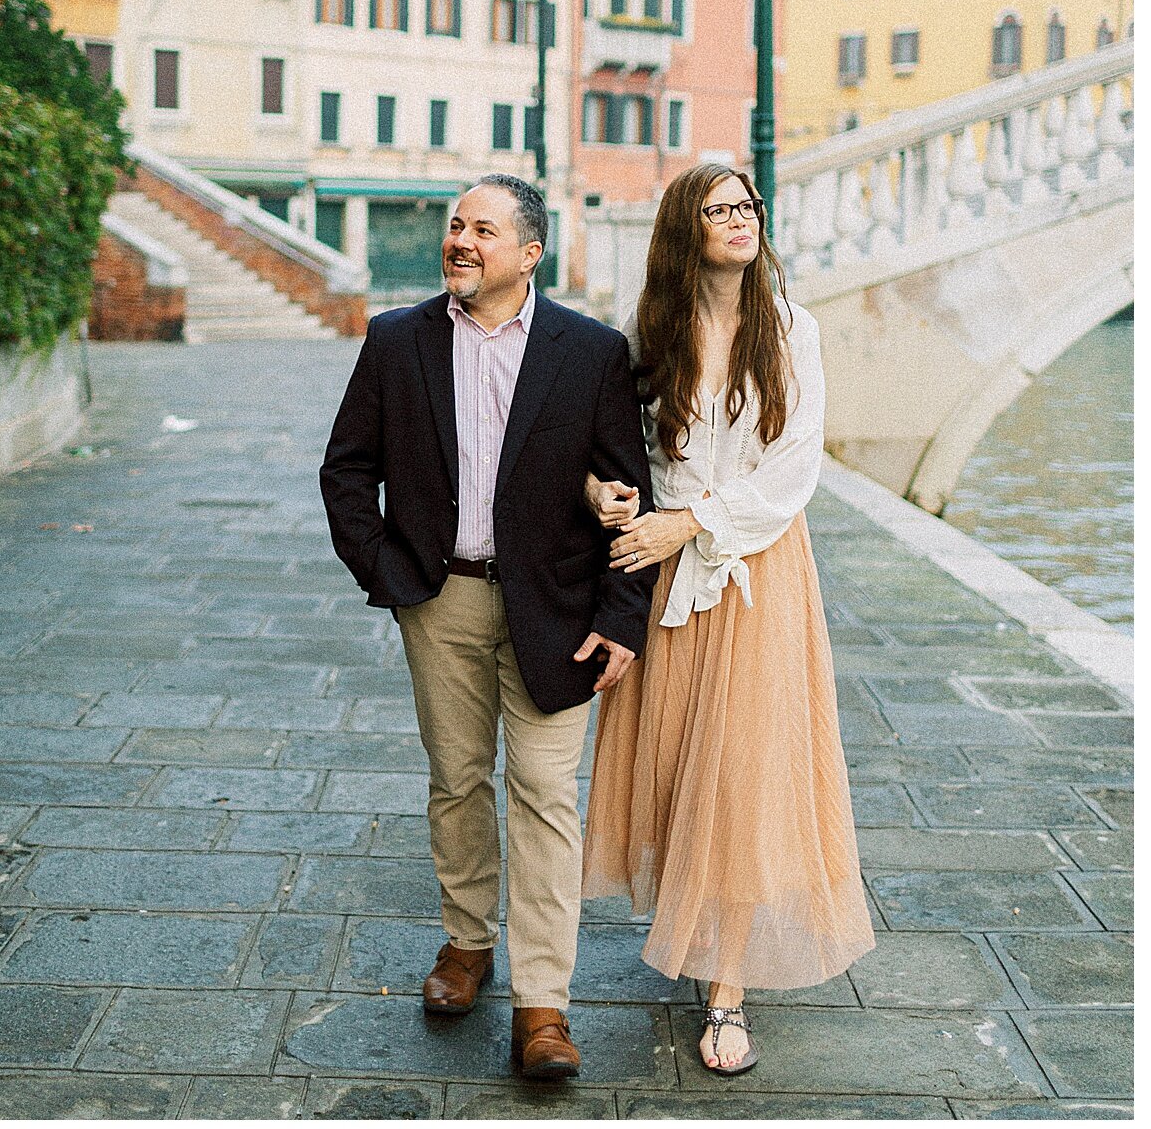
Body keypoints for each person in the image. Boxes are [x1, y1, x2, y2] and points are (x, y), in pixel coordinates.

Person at [320, 174, 655, 1081]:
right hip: (443, 599)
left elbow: (632, 493)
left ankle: (543, 1005)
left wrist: (625, 618)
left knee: (547, 794)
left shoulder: (588, 352)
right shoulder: (397, 340)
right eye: (455, 225)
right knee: (458, 780)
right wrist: (392, 576)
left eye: (483, 229)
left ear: (529, 252)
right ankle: (466, 946)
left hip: (561, 608)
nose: (461, 241)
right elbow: (346, 471)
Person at [581, 163, 875, 1075]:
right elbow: (606, 442)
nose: (740, 219)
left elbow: (794, 471)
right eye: (719, 208)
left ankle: (728, 988)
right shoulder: (651, 336)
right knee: (681, 763)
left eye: (747, 205)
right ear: (686, 228)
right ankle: (697, 925)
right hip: (666, 575)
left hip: (754, 567)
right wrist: (603, 492)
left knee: (743, 770)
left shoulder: (793, 330)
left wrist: (694, 520)